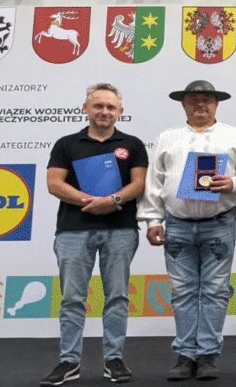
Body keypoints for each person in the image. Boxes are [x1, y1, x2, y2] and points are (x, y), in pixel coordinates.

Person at [137, 80, 236, 381]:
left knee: (216, 292)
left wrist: (234, 183)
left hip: (219, 223)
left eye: (206, 100)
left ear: (216, 104)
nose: (200, 105)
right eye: (193, 100)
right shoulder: (168, 137)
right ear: (183, 104)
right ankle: (184, 354)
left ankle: (206, 354)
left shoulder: (235, 136)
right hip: (177, 225)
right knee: (182, 293)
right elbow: (155, 181)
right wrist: (153, 220)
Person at [42, 83, 148, 385]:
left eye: (110, 107)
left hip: (120, 229)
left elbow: (138, 183)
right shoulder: (66, 143)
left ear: (120, 112)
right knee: (72, 299)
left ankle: (114, 359)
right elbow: (54, 183)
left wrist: (112, 201)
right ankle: (69, 361)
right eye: (98, 105)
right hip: (73, 230)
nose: (104, 111)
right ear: (85, 108)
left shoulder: (133, 144)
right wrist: (90, 201)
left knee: (117, 296)